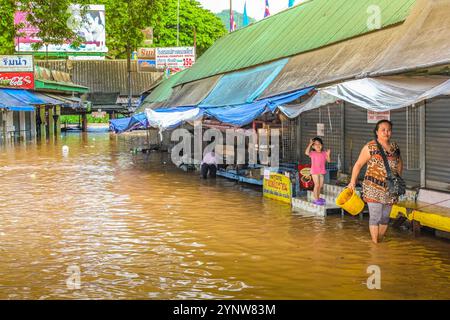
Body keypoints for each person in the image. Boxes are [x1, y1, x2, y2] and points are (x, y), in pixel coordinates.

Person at [348, 119, 403, 244]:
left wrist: (398, 179)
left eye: (388, 130)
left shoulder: (395, 147)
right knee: (375, 216)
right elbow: (358, 164)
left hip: (390, 188)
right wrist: (352, 181)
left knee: (385, 217)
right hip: (372, 187)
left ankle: (380, 240)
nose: (386, 132)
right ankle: (375, 244)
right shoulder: (370, 147)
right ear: (377, 132)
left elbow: (399, 163)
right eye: (383, 130)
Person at [305, 137, 331, 205]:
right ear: (313, 146)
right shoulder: (312, 153)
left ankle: (318, 197)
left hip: (321, 171)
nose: (317, 145)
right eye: (315, 144)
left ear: (321, 145)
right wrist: (310, 144)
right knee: (317, 185)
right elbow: (306, 152)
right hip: (314, 171)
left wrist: (328, 155)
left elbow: (328, 160)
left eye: (319, 144)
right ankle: (316, 199)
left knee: (320, 185)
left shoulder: (324, 153)